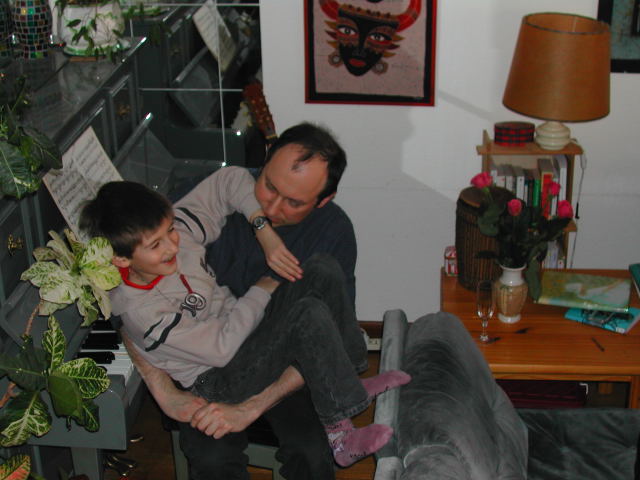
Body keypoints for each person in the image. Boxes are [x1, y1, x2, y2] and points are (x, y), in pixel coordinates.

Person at [80, 170, 410, 472]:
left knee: (322, 268)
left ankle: (349, 381)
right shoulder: (142, 311)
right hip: (215, 377)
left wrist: (263, 230)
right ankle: (340, 434)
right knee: (307, 314)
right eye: (156, 245)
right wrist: (260, 291)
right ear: (120, 259)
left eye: (170, 231)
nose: (172, 246)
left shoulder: (178, 234)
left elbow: (232, 180)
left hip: (243, 337)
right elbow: (220, 349)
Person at [126, 122, 385, 479]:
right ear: (263, 162)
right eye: (268, 186)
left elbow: (329, 336)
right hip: (208, 367)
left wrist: (251, 407)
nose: (272, 207)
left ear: (323, 200)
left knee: (311, 453)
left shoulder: (334, 230)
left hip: (288, 368)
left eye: (294, 202)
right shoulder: (212, 191)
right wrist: (163, 391)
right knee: (213, 460)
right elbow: (124, 296)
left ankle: (344, 396)